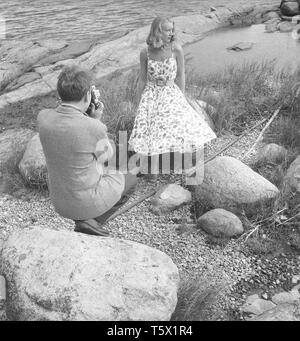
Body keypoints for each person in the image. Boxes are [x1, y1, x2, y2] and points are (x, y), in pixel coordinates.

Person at [38, 65, 137, 236]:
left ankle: (88, 221)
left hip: (59, 201)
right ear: (87, 95)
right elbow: (108, 158)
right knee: (132, 179)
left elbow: (68, 129)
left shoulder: (43, 117)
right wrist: (95, 120)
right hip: (83, 203)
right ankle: (91, 222)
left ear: (60, 94)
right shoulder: (93, 127)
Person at [128, 16, 216, 181]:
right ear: (157, 31)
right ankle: (151, 171)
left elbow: (182, 74)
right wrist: (139, 98)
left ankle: (186, 164)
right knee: (151, 129)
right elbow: (142, 78)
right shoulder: (145, 53)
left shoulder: (176, 49)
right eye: (168, 30)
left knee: (181, 125)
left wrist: (181, 96)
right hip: (151, 93)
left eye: (172, 29)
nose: (172, 33)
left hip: (171, 91)